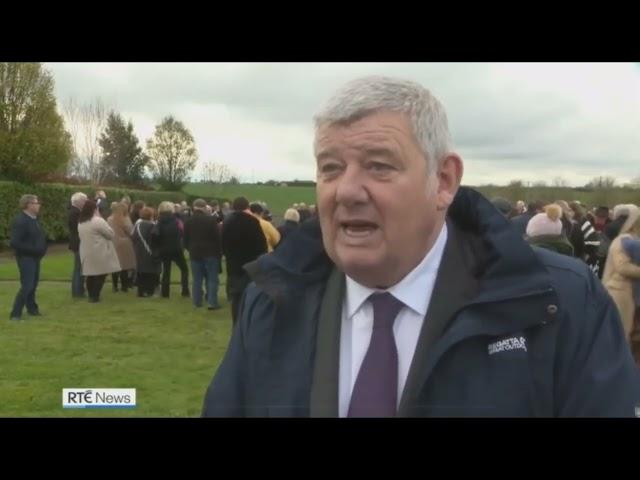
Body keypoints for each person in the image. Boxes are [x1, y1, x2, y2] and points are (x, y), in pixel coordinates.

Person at [202, 75, 640, 417]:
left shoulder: (561, 305)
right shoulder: (272, 303)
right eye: (330, 168)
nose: (347, 191)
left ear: (444, 181)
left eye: (378, 165)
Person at [221, 196, 268, 325]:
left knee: (236, 297)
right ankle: (249, 322)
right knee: (250, 296)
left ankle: (236, 323)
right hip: (250, 265)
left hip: (233, 265)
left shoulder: (227, 222)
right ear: (247, 207)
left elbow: (222, 243)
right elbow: (262, 245)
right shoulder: (252, 222)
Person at [602, 205, 640, 344]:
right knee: (621, 334)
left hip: (626, 292)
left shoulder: (629, 239)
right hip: (620, 292)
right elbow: (622, 267)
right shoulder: (622, 240)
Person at [9, 194, 48, 320]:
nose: (38, 205)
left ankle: (32, 309)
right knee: (27, 285)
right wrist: (34, 250)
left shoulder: (34, 219)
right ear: (28, 205)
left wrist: (42, 249)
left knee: (34, 284)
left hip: (35, 257)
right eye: (36, 203)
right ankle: (15, 313)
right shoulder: (21, 221)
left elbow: (38, 237)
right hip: (26, 258)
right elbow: (15, 242)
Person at [77, 199, 121, 303]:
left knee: (91, 274)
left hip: (86, 251)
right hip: (99, 251)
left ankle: (91, 295)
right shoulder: (98, 221)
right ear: (94, 209)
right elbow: (110, 234)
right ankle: (95, 296)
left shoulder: (81, 222)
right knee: (101, 274)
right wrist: (100, 217)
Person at [184, 199, 223, 310]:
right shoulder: (211, 220)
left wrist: (190, 249)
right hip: (211, 253)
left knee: (197, 279)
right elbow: (217, 238)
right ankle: (212, 302)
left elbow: (185, 240)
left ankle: (197, 302)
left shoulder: (188, 221)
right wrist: (219, 252)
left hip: (195, 253)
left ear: (193, 207)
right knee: (212, 278)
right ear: (204, 207)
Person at [152, 201, 190, 298]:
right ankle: (185, 290)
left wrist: (158, 246)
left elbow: (155, 234)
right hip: (176, 248)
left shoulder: (159, 221)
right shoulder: (177, 220)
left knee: (166, 270)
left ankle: (165, 293)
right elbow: (182, 231)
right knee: (184, 269)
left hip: (164, 248)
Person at [107, 203, 136, 293]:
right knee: (124, 266)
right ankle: (124, 286)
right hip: (125, 243)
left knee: (115, 265)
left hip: (114, 242)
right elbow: (131, 231)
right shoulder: (125, 219)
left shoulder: (109, 219)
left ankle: (115, 286)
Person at [132, 207, 161, 297]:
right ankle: (149, 292)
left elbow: (133, 236)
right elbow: (156, 238)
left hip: (139, 251)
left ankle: (140, 292)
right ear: (151, 215)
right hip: (150, 251)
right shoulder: (152, 225)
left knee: (141, 272)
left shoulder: (137, 225)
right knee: (150, 272)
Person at [68, 192, 88, 298]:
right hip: (78, 243)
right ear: (78, 201)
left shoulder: (75, 211)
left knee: (79, 267)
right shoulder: (75, 212)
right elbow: (79, 228)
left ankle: (79, 290)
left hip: (77, 242)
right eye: (84, 200)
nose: (85, 202)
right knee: (79, 268)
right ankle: (77, 291)